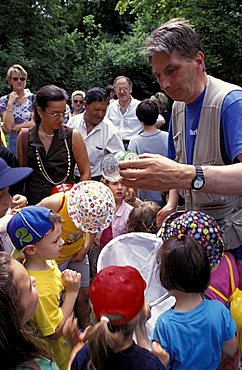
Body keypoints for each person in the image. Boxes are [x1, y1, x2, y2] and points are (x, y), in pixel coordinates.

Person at [118, 18, 242, 253]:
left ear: (199, 61)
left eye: (172, 70)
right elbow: (177, 165)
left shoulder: (231, 102)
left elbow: (181, 172)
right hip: (201, 238)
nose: (164, 83)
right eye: (158, 75)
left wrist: (186, 175)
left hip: (235, 246)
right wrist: (172, 203)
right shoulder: (178, 107)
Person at [156, 210, 239, 369]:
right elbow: (231, 348)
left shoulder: (164, 323)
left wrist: (139, 328)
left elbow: (157, 363)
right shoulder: (219, 310)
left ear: (165, 277)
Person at [7, 205, 81, 370]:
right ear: (31, 249)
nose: (62, 242)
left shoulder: (47, 260)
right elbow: (55, 332)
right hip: (57, 355)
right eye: (55, 240)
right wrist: (72, 292)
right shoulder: (40, 290)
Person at [38, 180, 116, 329]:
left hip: (78, 253)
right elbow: (32, 220)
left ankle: (85, 326)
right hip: (55, 259)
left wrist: (85, 248)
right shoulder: (56, 203)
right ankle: (66, 329)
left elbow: (93, 227)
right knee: (59, 297)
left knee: (84, 293)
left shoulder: (96, 207)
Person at [65, 265, 166, 370]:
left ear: (93, 311)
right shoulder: (150, 364)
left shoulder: (85, 356)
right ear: (141, 313)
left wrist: (76, 348)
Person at [16, 84, 91, 204]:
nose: (61, 119)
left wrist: (77, 197)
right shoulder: (24, 137)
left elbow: (86, 172)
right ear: (40, 111)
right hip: (34, 204)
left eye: (63, 113)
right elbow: (21, 173)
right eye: (55, 114)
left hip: (64, 203)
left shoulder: (73, 136)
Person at [0, 251, 58, 369]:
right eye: (29, 289)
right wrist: (75, 351)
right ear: (13, 313)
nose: (33, 279)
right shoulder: (42, 366)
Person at [67, 87, 124, 181]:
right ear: (85, 105)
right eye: (96, 110)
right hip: (71, 177)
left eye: (104, 110)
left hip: (96, 180)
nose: (100, 114)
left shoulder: (111, 131)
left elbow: (119, 158)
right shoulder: (73, 123)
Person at [89, 178, 133, 277]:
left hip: (119, 253)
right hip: (97, 250)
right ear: (106, 186)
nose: (120, 188)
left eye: (123, 184)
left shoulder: (130, 212)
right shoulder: (96, 208)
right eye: (115, 184)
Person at [128, 99, 168, 206]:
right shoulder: (168, 138)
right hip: (168, 194)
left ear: (139, 119)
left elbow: (131, 170)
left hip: (145, 198)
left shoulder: (135, 142)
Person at [107, 76, 165, 149]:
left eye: (125, 88)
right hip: (115, 146)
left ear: (130, 89)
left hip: (136, 144)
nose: (122, 92)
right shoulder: (110, 107)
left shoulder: (139, 106)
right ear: (115, 90)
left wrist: (144, 132)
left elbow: (161, 120)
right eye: (119, 89)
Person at [0, 64, 35, 155]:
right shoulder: (4, 100)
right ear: (10, 81)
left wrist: (15, 128)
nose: (19, 81)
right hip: (14, 141)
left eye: (22, 79)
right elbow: (8, 127)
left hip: (32, 138)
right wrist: (10, 103)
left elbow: (34, 123)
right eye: (15, 79)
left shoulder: (34, 98)